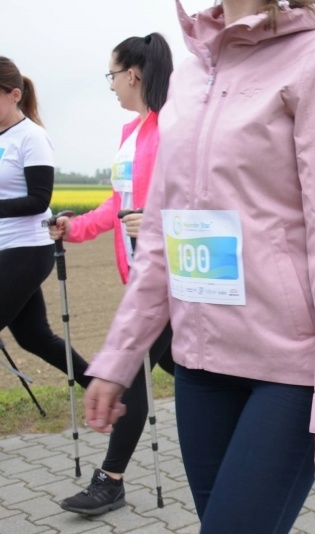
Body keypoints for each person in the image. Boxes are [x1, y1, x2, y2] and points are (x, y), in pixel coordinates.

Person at [81, 1, 315, 532]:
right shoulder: (192, 75)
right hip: (200, 369)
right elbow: (163, 237)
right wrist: (118, 356)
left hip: (285, 374)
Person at [47, 33, 176, 516]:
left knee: (135, 374)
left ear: (134, 74)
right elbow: (118, 204)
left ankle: (111, 479)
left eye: (113, 75)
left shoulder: (171, 128)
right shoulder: (131, 133)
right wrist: (74, 228)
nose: (111, 85)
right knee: (183, 366)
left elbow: (194, 196)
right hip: (138, 270)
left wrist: (159, 221)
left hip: (169, 272)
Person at [0, 58, 94, 394]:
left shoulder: (32, 137)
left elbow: (39, 199)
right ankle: (103, 390)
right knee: (33, 337)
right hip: (5, 250)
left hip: (28, 247)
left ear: (13, 94)